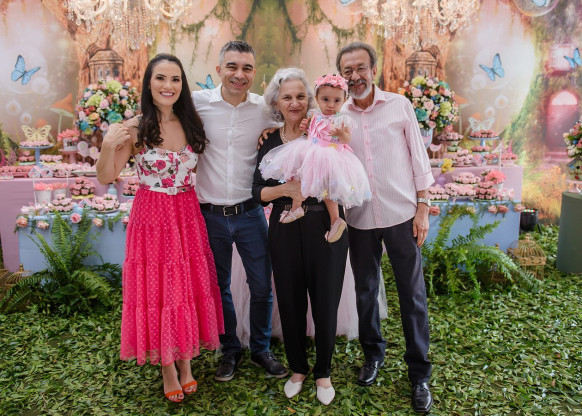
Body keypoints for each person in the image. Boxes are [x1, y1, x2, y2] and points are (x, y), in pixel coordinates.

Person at [96, 53, 224, 403]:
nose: (168, 85)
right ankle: (168, 366)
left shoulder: (191, 122)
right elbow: (106, 176)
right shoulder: (134, 128)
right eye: (161, 78)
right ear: (149, 84)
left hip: (186, 214)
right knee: (159, 290)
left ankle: (186, 362)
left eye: (175, 79)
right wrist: (107, 145)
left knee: (184, 286)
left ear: (182, 85)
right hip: (152, 217)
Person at [336, 42, 434, 413]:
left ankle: (419, 373)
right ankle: (372, 355)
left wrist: (423, 208)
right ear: (341, 76)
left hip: (401, 215)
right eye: (347, 71)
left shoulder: (398, 106)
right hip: (359, 218)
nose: (355, 76)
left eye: (360, 68)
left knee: (412, 296)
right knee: (365, 292)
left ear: (373, 70)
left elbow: (419, 159)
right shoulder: (338, 114)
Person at [252, 67, 349, 406]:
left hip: (326, 225)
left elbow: (340, 169)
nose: (294, 103)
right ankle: (297, 368)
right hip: (285, 225)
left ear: (310, 99)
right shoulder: (269, 140)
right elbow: (256, 192)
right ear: (276, 102)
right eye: (287, 97)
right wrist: (286, 189)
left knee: (325, 300)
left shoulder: (320, 128)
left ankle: (323, 371)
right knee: (290, 300)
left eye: (300, 96)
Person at [192, 40, 287, 382]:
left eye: (246, 68)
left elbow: (295, 121)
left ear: (254, 72)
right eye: (232, 66)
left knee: (261, 285)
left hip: (250, 213)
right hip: (209, 215)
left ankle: (261, 348)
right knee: (219, 288)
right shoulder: (197, 103)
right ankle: (229, 349)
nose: (239, 74)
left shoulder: (264, 109)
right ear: (219, 69)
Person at [258, 73, 371, 242]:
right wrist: (306, 126)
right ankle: (296, 208)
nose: (331, 105)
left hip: (330, 155)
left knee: (328, 190)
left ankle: (335, 219)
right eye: (326, 99)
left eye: (337, 101)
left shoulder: (342, 119)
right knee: (297, 176)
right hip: (311, 151)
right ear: (317, 98)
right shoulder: (314, 115)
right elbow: (310, 130)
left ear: (344, 100)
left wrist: (341, 134)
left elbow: (347, 139)